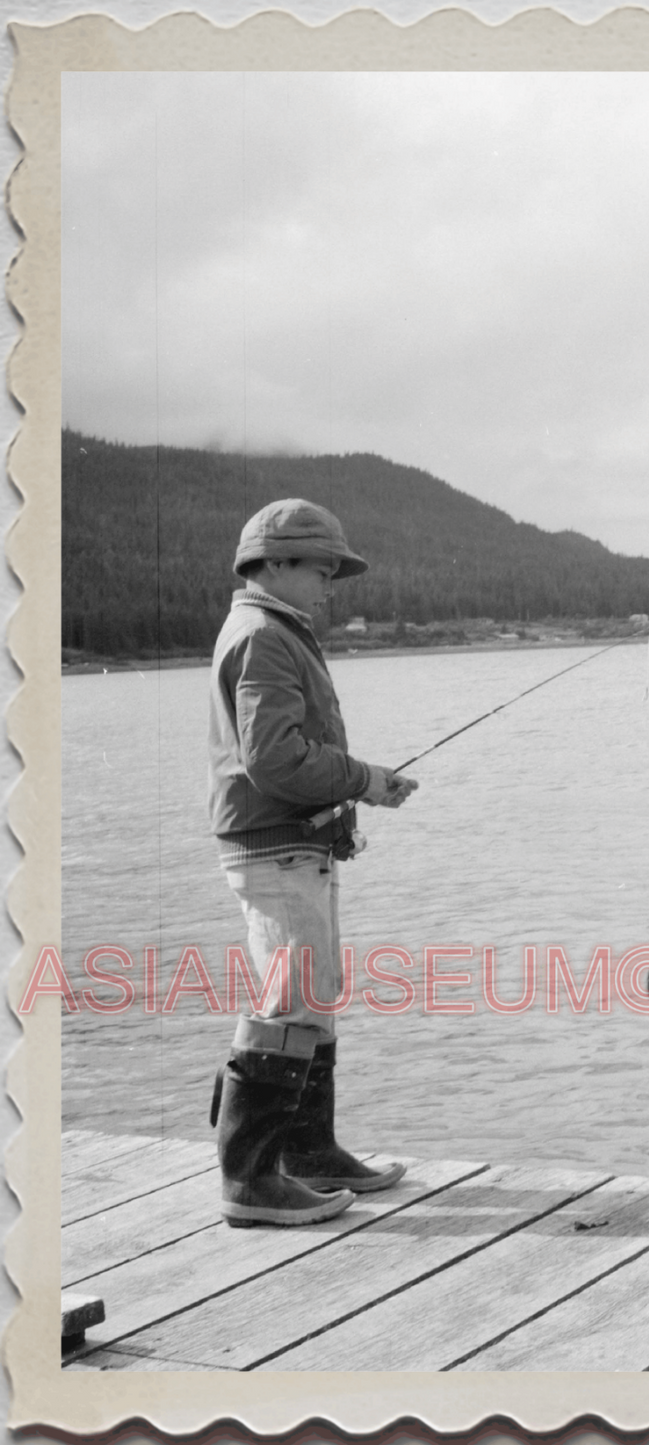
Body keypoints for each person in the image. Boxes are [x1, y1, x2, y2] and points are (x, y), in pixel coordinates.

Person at [208, 498, 419, 1227]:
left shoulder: (275, 629)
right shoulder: (265, 635)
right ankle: (249, 1180)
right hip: (274, 847)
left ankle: (308, 1154)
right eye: (319, 569)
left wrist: (349, 800)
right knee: (288, 1001)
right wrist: (363, 778)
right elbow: (273, 761)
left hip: (294, 843)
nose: (330, 584)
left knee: (313, 996)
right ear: (272, 565)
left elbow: (281, 760)